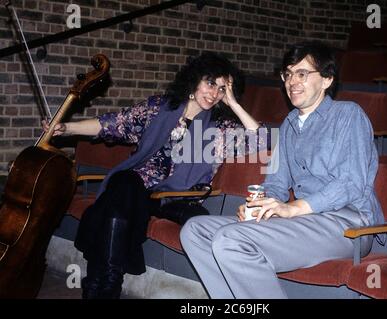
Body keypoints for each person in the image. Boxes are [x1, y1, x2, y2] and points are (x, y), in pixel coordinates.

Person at [44, 52, 267, 299]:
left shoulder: (219, 128)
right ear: (194, 80)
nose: (214, 93)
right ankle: (105, 288)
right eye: (210, 83)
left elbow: (262, 140)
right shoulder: (159, 108)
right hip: (136, 187)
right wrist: (65, 128)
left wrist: (234, 104)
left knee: (115, 200)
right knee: (125, 184)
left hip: (173, 197)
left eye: (222, 88)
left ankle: (98, 288)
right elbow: (112, 124)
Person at [180, 41, 385, 299]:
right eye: (287, 74)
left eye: (302, 73)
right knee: (195, 231)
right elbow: (276, 182)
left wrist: (294, 208)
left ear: (326, 80)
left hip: (346, 225)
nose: (292, 82)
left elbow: (350, 184)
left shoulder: (349, 115)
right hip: (306, 221)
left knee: (231, 240)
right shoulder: (289, 124)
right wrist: (261, 205)